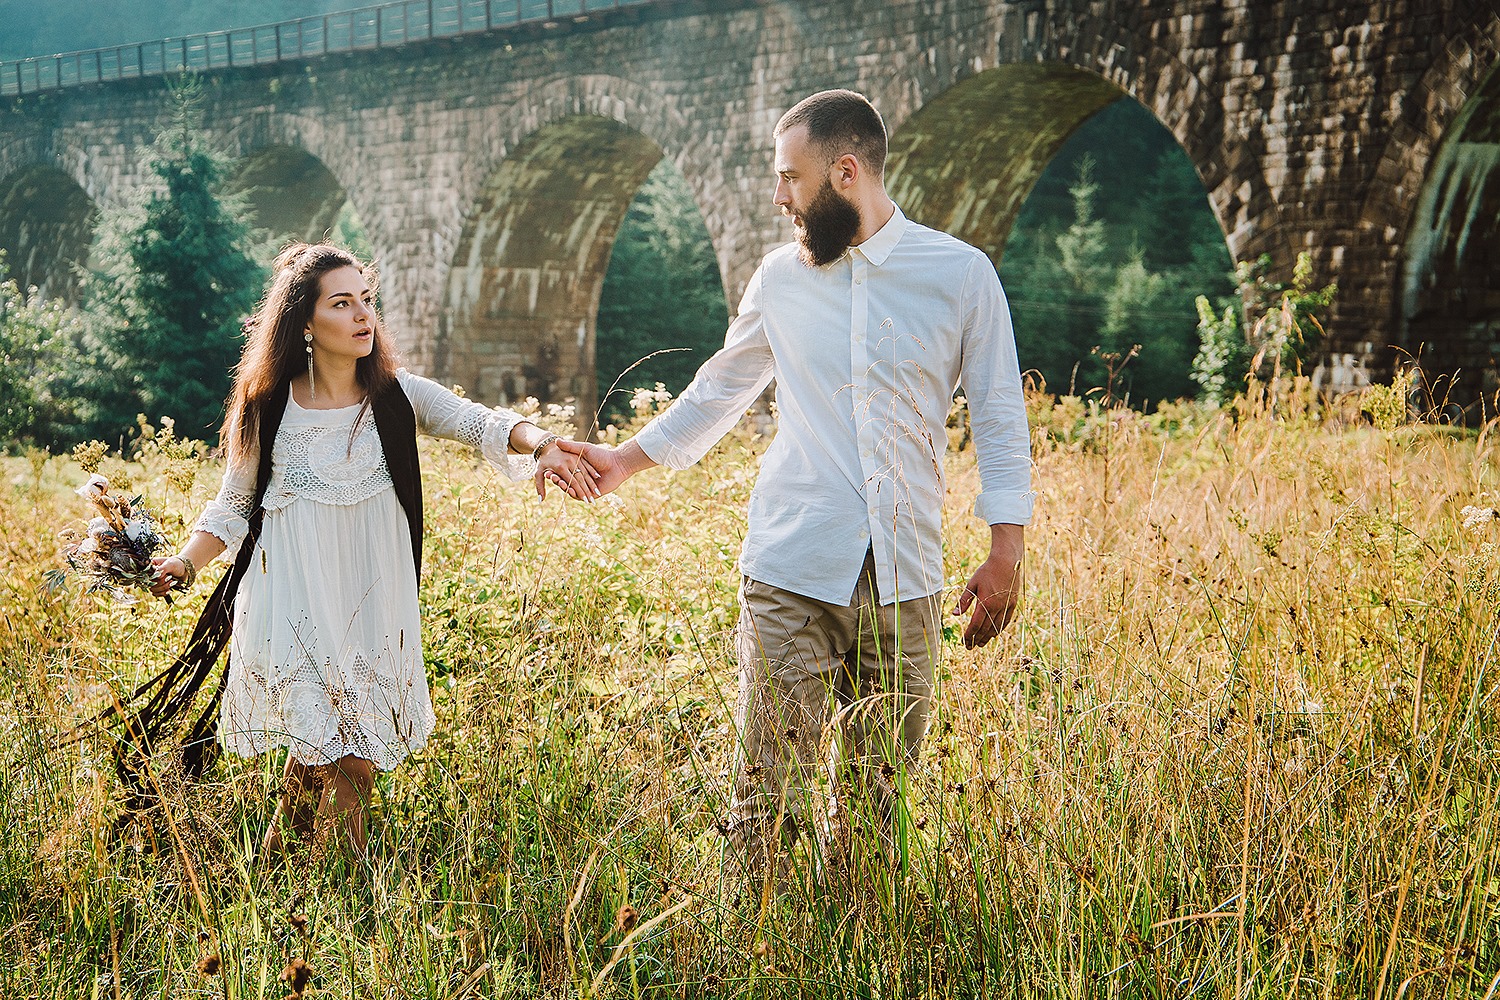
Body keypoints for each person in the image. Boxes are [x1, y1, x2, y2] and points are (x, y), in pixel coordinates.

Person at [552, 90, 1033, 880]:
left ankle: (860, 956)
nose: (778, 198)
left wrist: (1005, 551)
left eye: (789, 178)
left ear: (845, 172)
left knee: (881, 803)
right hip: (791, 569)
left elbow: (1001, 414)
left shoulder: (960, 275)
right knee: (763, 798)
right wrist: (624, 460)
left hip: (908, 580)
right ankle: (753, 958)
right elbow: (720, 391)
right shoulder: (779, 278)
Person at [147, 242, 599, 858]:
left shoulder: (395, 397)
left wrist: (543, 441)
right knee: (345, 765)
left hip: (371, 609)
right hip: (296, 607)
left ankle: (279, 887)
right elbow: (234, 504)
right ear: (304, 323)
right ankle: (351, 900)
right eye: (342, 303)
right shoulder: (269, 407)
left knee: (320, 772)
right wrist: (183, 562)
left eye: (367, 300)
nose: (364, 316)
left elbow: (478, 422)